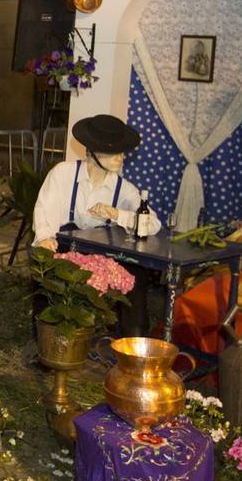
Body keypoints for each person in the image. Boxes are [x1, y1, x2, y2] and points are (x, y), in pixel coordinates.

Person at [32, 114, 161, 333]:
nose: (120, 158)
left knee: (136, 274)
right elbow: (45, 209)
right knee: (52, 269)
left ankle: (133, 343)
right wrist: (45, 238)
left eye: (122, 152)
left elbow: (154, 224)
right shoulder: (64, 173)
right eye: (113, 152)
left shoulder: (124, 189)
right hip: (65, 245)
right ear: (92, 152)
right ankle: (52, 338)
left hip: (102, 253)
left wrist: (117, 213)